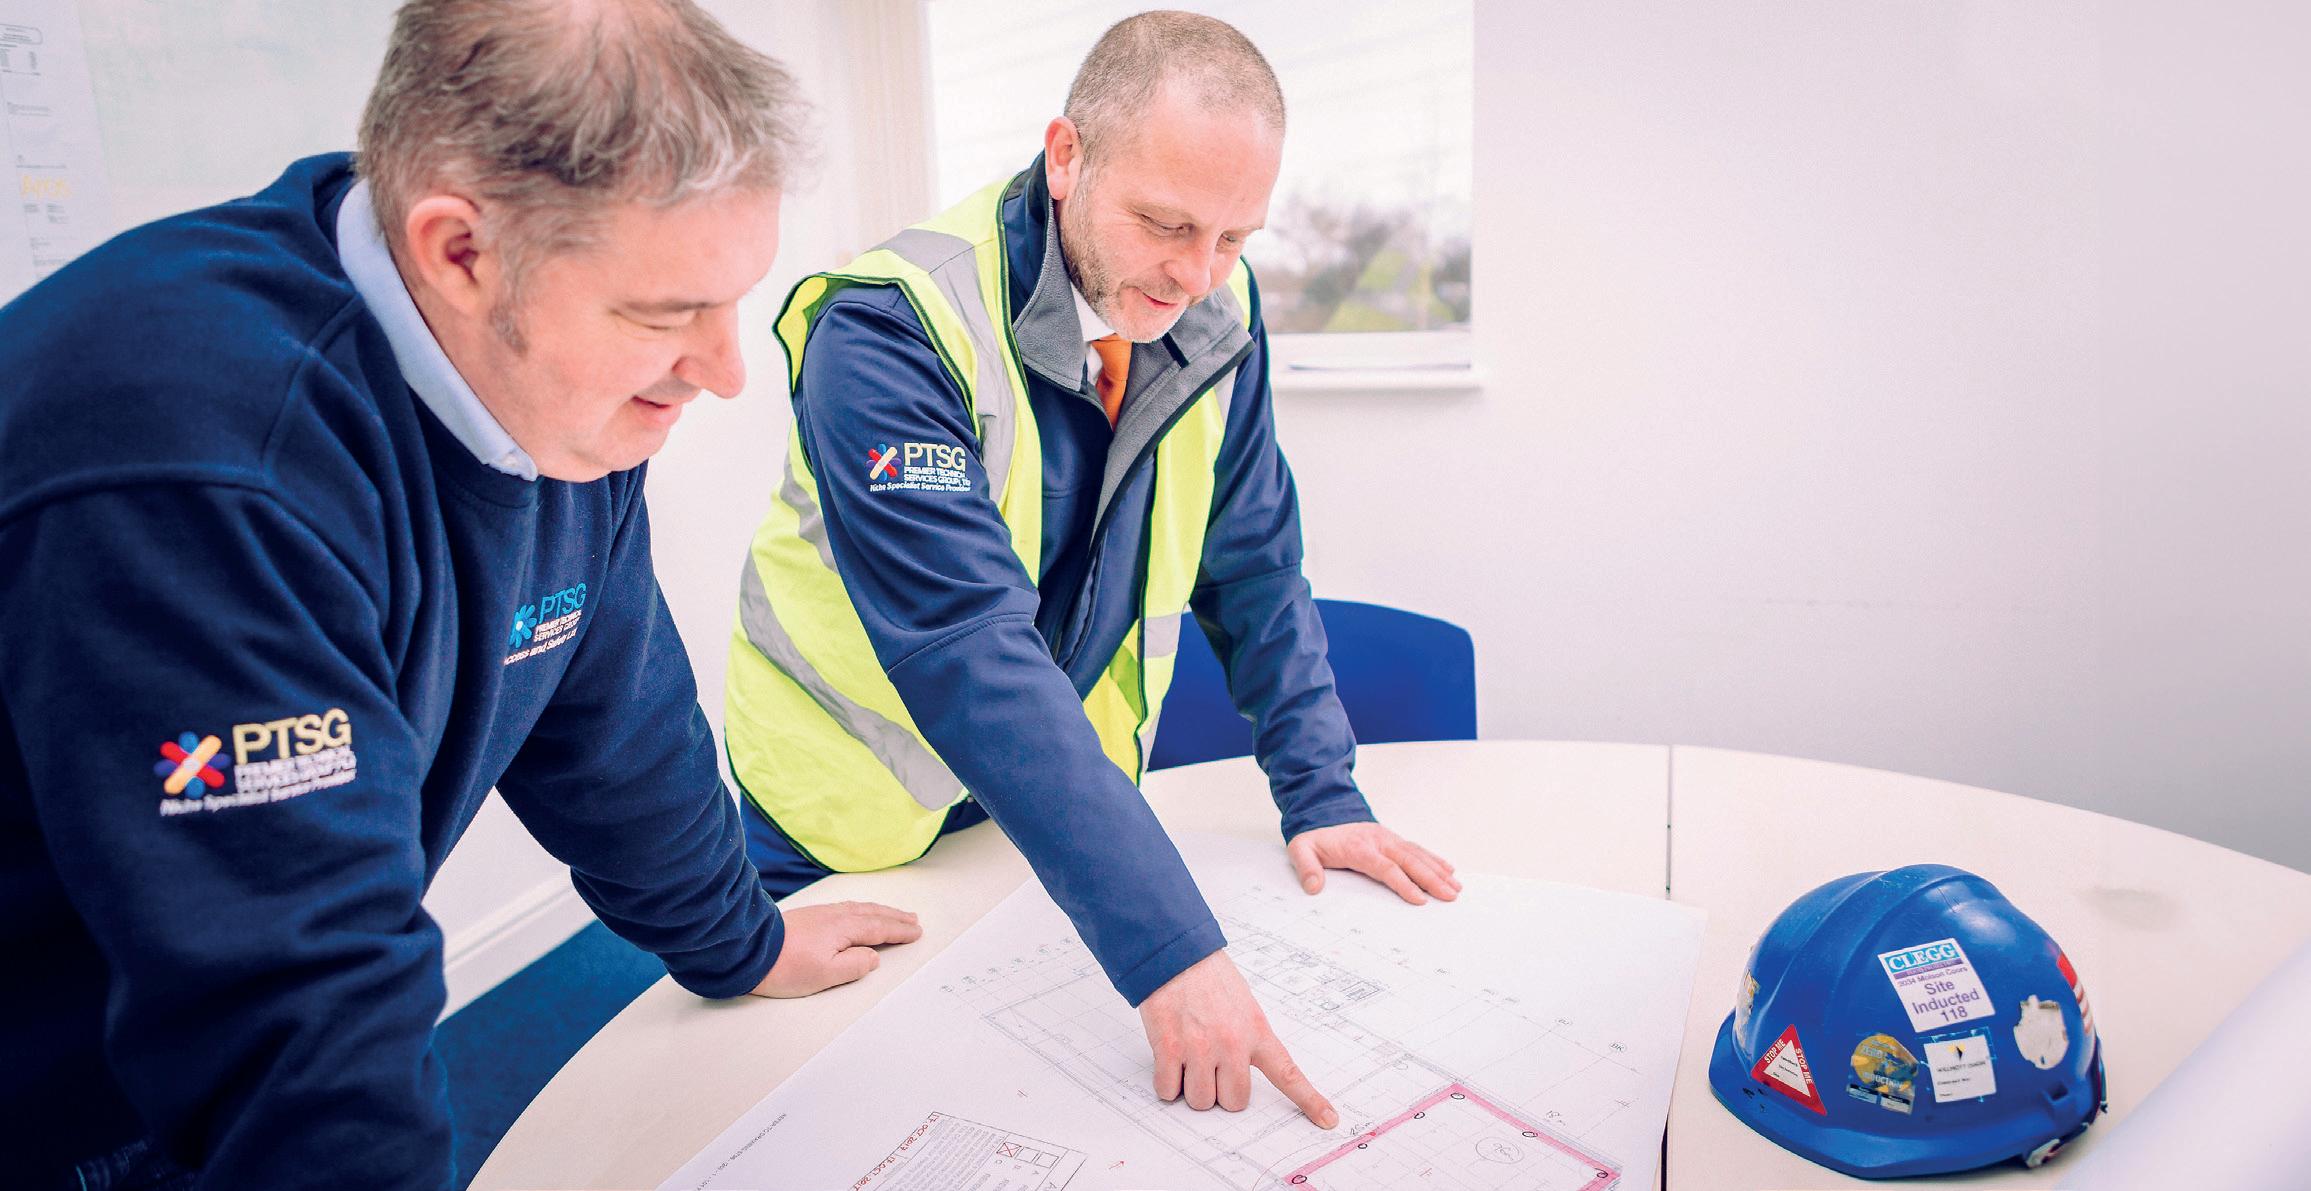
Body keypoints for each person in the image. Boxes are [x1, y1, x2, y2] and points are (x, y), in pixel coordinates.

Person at [0, 2, 919, 1187]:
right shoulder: (200, 462)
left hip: (200, 1034)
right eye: (664, 315)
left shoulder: (559, 405)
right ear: (461, 253)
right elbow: (299, 1007)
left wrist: (739, 943)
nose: (726, 371)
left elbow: (615, 723)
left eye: (730, 301)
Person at [724, 10, 1458, 1127]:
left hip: (1049, 815)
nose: (1197, 274)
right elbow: (970, 650)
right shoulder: (886, 332)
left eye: (1233, 237)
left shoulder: (1215, 307)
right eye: (1166, 223)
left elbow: (1253, 565)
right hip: (843, 815)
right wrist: (1169, 952)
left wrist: (1321, 791)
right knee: (824, 1119)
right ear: (1066, 156)